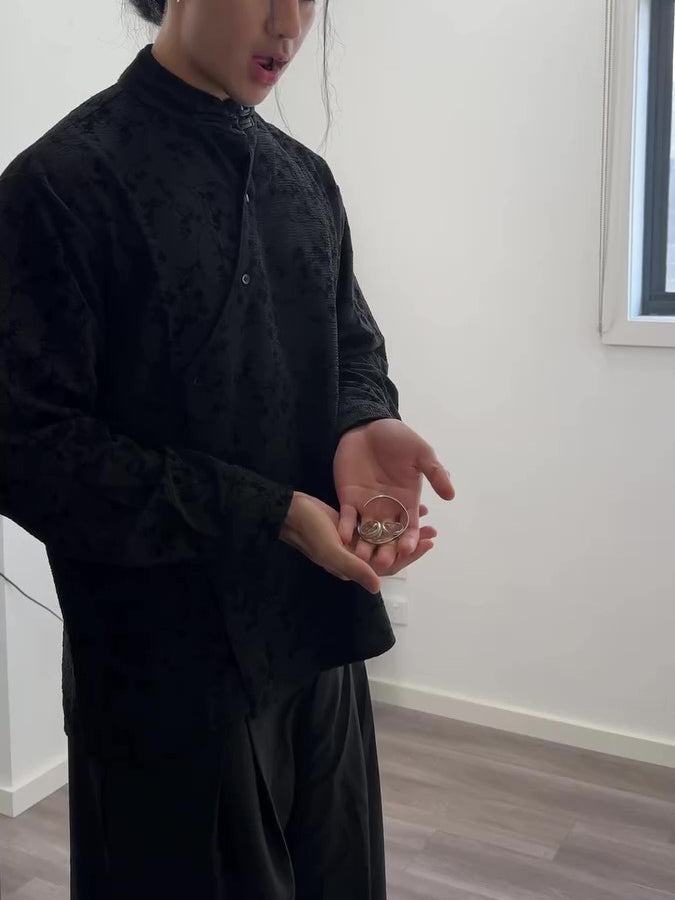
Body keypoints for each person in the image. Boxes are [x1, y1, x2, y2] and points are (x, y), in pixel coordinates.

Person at [0, 1, 455, 897]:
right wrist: (265, 512)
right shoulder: (60, 186)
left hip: (317, 638)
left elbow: (351, 345)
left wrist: (363, 418)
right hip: (164, 677)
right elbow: (29, 448)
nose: (289, 23)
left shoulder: (304, 179)